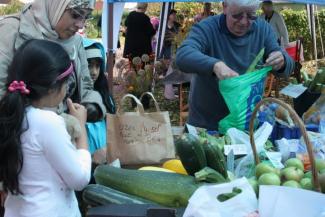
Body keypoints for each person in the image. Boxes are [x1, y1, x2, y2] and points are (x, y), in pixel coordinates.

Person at [0, 39, 91, 217]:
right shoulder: (47, 122)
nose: (66, 90)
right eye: (66, 84)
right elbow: (79, 179)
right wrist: (81, 129)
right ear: (51, 88)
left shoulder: (11, 114)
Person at [176, 0, 294, 131]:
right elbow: (182, 56)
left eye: (251, 15)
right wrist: (215, 65)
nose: (244, 22)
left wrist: (282, 61)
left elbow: (288, 67)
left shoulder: (263, 29)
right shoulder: (207, 28)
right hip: (206, 126)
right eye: (237, 15)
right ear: (225, 7)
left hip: (246, 125)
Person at [0, 0, 106, 122]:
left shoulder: (75, 41)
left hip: (65, 134)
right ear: (55, 5)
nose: (80, 25)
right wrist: (49, 122)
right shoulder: (12, 30)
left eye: (86, 18)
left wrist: (92, 105)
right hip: (22, 134)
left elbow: (85, 85)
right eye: (76, 15)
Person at [83, 38, 116, 164]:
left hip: (108, 162)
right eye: (88, 65)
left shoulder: (106, 97)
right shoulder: (71, 99)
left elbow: (113, 130)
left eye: (98, 66)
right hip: (84, 167)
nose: (94, 72)